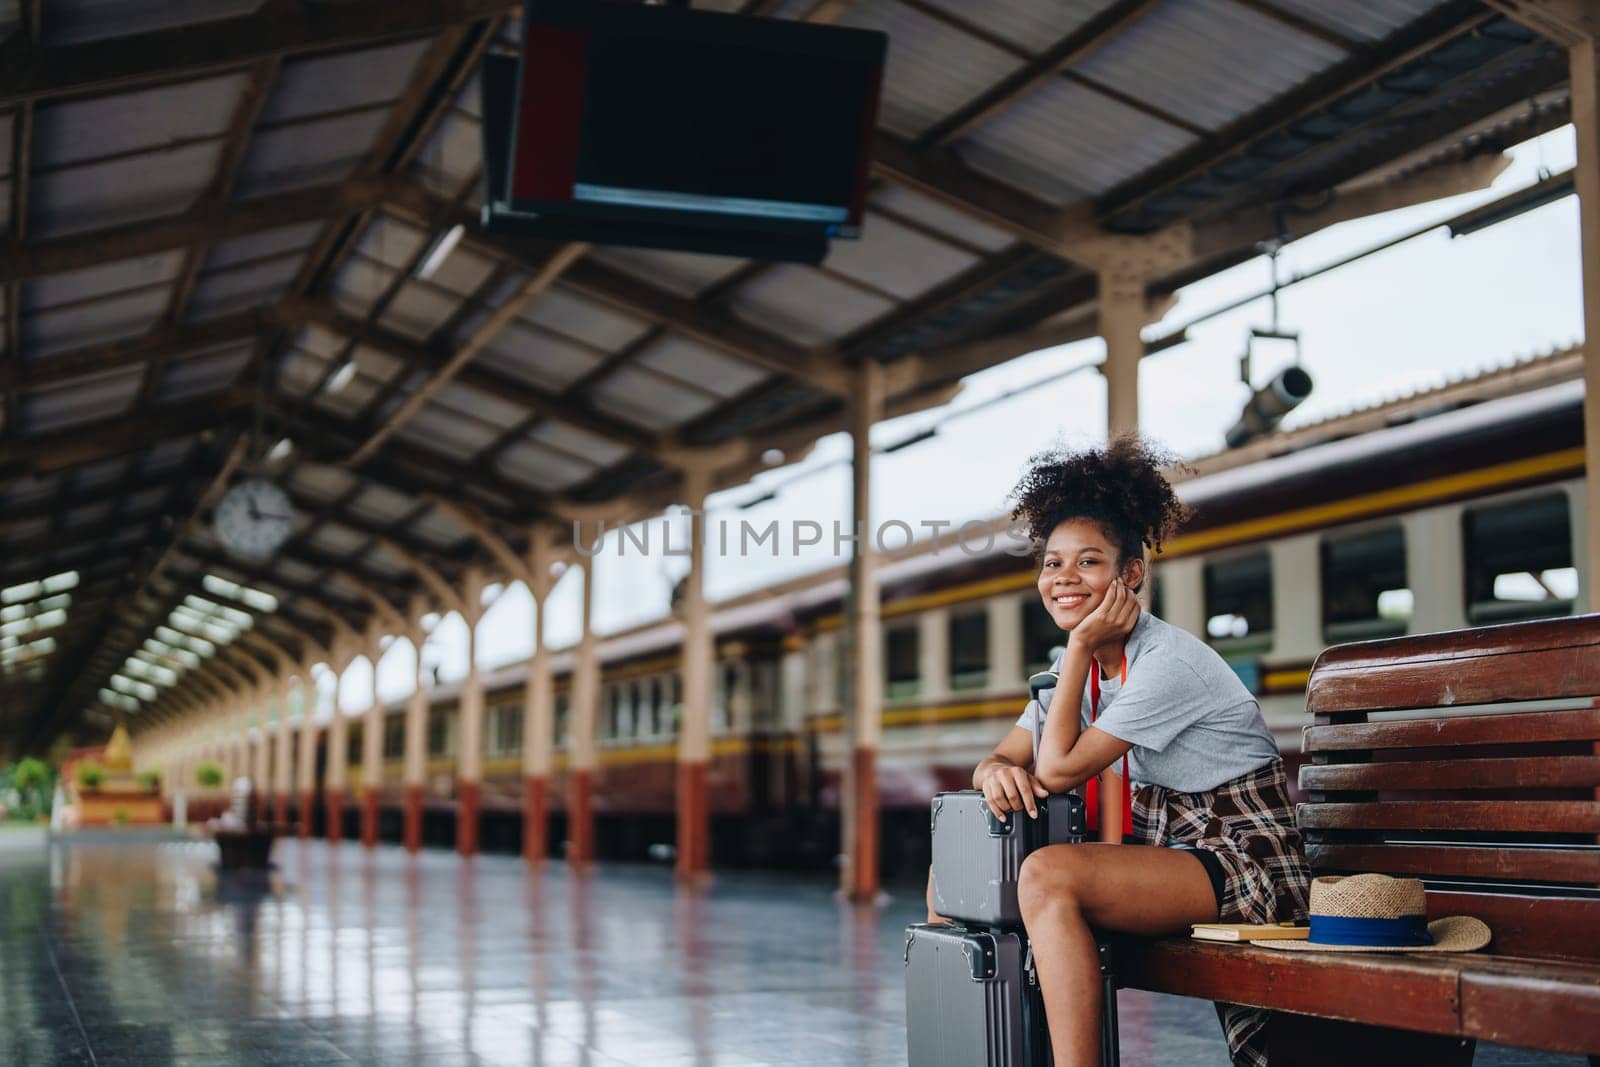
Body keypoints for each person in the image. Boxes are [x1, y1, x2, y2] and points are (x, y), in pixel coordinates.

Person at [967, 435, 1309, 1067]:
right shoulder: (1079, 664)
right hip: (1176, 861)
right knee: (952, 877)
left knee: (1045, 877)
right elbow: (1007, 755)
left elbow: (1056, 768)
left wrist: (1074, 649)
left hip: (1247, 865)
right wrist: (991, 771)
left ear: (1131, 575)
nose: (1063, 578)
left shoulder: (1167, 662)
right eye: (1051, 562)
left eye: (1088, 562)